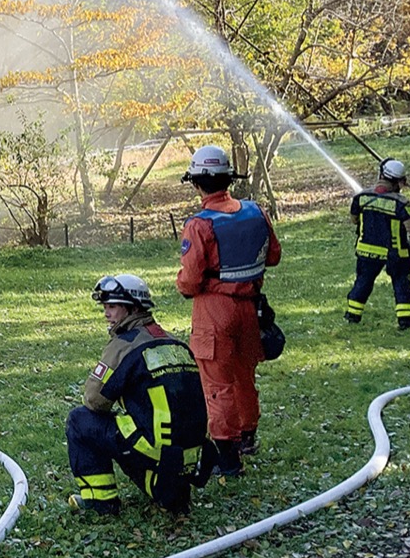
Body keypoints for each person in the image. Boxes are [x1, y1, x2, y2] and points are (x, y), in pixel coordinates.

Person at [66, 273, 211, 516]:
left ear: (132, 308)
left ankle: (101, 501)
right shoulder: (174, 343)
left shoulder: (124, 345)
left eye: (112, 306)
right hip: (189, 457)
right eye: (105, 307)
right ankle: (163, 486)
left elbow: (94, 399)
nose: (106, 313)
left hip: (156, 451)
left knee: (80, 420)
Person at [177, 145, 281, 477]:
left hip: (214, 313)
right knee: (243, 376)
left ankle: (228, 455)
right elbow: (274, 256)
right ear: (228, 179)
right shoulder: (256, 211)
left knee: (217, 384)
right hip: (250, 308)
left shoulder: (199, 225)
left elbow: (190, 281)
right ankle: (248, 436)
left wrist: (185, 282)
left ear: (196, 183)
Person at [346, 158, 410, 330]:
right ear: (399, 181)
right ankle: (406, 322)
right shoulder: (402, 203)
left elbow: (354, 220)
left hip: (366, 252)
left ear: (381, 174)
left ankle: (352, 316)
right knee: (401, 285)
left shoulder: (361, 198)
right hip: (396, 253)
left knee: (363, 282)